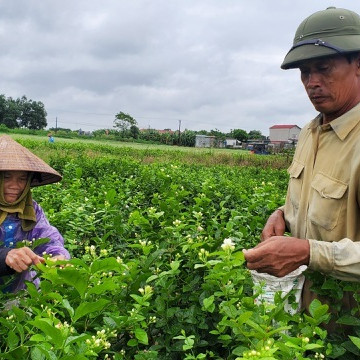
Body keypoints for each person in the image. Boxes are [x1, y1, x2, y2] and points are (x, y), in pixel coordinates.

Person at [243, 7, 360, 314]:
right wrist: (281, 214)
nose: (312, 82)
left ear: (358, 65)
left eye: (324, 68)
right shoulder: (310, 132)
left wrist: (309, 252)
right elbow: (311, 202)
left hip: (347, 333)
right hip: (303, 318)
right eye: (305, 73)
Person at [0, 135, 70, 292]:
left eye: (22, 179)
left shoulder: (31, 209)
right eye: (6, 177)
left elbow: (48, 237)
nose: (14, 186)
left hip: (18, 294)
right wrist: (5, 256)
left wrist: (57, 256)